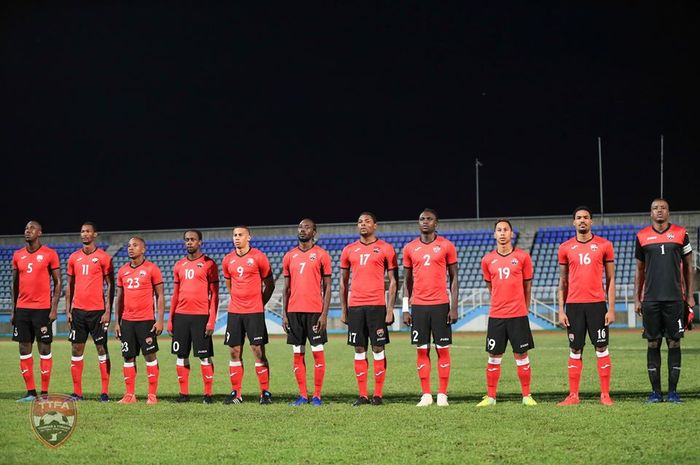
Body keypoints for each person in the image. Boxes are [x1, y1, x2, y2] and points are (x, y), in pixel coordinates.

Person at [635, 198, 695, 403]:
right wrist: (637, 298)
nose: (659, 211)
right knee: (653, 343)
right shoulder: (642, 236)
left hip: (674, 299)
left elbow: (689, 266)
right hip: (651, 300)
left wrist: (689, 295)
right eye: (655, 208)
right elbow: (639, 270)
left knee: (674, 342)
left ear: (668, 212)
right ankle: (655, 393)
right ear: (650, 213)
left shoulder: (680, 233)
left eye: (663, 208)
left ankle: (672, 392)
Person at [557, 207, 615, 406]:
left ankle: (605, 394)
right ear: (573, 222)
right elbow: (563, 281)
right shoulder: (565, 248)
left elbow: (611, 278)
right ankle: (573, 396)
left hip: (597, 305)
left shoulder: (604, 245)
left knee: (601, 347)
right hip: (573, 306)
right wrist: (561, 310)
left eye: (586, 218)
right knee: (575, 349)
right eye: (579, 218)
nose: (582, 221)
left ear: (591, 222)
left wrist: (611, 308)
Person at [477, 218, 537, 407]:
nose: (502, 233)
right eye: (499, 230)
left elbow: (527, 286)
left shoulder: (522, 257)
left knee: (522, 355)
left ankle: (526, 395)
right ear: (494, 234)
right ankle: (491, 397)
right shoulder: (487, 260)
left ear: (512, 234)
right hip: (496, 316)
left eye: (505, 230)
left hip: (518, 315)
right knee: (494, 357)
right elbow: (491, 287)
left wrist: (523, 309)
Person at [340, 212, 398, 406]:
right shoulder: (349, 250)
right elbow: (343, 282)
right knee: (358, 348)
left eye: (367, 221)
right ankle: (363, 394)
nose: (362, 224)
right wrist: (344, 309)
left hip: (376, 306)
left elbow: (393, 282)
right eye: (359, 222)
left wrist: (390, 309)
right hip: (356, 306)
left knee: (378, 348)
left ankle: (378, 395)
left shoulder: (386, 249)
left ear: (375, 225)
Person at [402, 208, 459, 407]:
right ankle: (426, 395)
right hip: (418, 306)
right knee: (421, 350)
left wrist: (453, 307)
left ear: (437, 223)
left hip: (441, 305)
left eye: (429, 219)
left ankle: (442, 394)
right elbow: (406, 281)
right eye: (422, 219)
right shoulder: (409, 248)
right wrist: (405, 308)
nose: (425, 222)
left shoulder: (446, 246)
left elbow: (454, 278)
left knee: (442, 350)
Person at [221, 226, 275, 405]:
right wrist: (237, 299)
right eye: (234, 235)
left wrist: (260, 303)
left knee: (258, 351)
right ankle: (236, 393)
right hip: (235, 312)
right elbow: (229, 284)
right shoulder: (228, 260)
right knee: (234, 351)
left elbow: (270, 284)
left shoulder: (259, 257)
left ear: (249, 237)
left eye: (240, 235)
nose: (237, 238)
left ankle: (265, 392)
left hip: (254, 312)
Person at [282, 219, 332, 407]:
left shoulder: (321, 255)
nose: (302, 230)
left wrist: (324, 314)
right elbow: (286, 288)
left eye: (307, 227)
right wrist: (285, 314)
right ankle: (303, 395)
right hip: (294, 312)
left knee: (318, 352)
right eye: (300, 227)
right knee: (298, 352)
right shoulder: (289, 256)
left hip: (314, 312)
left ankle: (317, 395)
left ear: (314, 232)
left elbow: (327, 287)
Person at [11, 221, 62, 402]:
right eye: (26, 228)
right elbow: (15, 285)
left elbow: (58, 282)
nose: (28, 231)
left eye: (32, 228)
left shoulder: (49, 254)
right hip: (23, 310)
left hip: (42, 310)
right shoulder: (18, 255)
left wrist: (54, 308)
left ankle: (45, 393)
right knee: (24, 348)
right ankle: (31, 392)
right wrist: (14, 310)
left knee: (44, 349)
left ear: (39, 232)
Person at [167, 230, 220, 404]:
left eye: (193, 240)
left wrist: (211, 320)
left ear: (200, 242)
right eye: (187, 240)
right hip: (181, 317)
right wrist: (171, 320)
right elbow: (175, 295)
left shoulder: (209, 264)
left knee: (204, 356)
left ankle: (208, 394)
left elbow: (214, 295)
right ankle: (184, 394)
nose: (189, 242)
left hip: (201, 317)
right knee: (181, 355)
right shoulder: (179, 265)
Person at [65, 221, 115, 402]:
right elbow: (69, 286)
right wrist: (68, 309)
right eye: (82, 231)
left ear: (95, 235)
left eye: (88, 231)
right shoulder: (73, 258)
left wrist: (108, 310)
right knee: (76, 349)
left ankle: (105, 392)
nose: (85, 234)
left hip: (97, 312)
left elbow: (111, 286)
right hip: (78, 311)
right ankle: (77, 393)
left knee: (102, 349)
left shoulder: (104, 258)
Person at [114, 237, 165, 404]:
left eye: (135, 245)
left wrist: (159, 320)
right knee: (128, 357)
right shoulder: (122, 271)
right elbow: (119, 298)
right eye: (129, 246)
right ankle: (130, 395)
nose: (131, 248)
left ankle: (152, 395)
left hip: (146, 321)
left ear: (143, 249)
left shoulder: (152, 269)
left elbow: (160, 296)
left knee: (150, 356)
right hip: (127, 321)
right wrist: (117, 322)